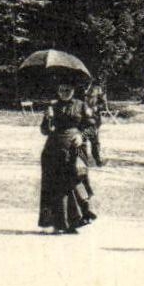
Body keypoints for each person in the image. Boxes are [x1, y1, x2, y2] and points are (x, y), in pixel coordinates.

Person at [38, 80, 96, 233]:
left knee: (73, 183)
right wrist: (48, 118)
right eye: (62, 89)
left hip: (75, 150)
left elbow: (92, 127)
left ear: (73, 89)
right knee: (53, 186)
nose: (65, 92)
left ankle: (75, 221)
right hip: (53, 150)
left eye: (68, 88)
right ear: (57, 90)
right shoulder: (52, 106)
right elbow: (45, 131)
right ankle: (57, 223)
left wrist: (82, 136)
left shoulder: (81, 105)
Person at [82, 80, 109, 167]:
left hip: (93, 118)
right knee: (82, 140)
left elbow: (103, 103)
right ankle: (84, 161)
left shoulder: (97, 89)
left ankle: (98, 160)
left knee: (94, 140)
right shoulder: (79, 88)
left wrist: (96, 108)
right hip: (81, 118)